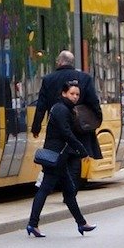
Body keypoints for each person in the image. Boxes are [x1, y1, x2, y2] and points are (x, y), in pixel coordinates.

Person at [25, 79, 96, 237]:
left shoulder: (64, 108)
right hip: (55, 156)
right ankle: (32, 224)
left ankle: (81, 223)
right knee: (46, 189)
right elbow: (66, 133)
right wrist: (81, 149)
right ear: (64, 93)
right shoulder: (61, 109)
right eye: (72, 94)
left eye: (77, 94)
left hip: (60, 156)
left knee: (69, 191)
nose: (75, 97)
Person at [31, 49, 103, 166]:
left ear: (59, 62)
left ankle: (61, 183)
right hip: (79, 129)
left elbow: (41, 106)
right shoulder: (85, 78)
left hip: (56, 130)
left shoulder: (48, 79)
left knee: (56, 163)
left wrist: (36, 127)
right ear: (72, 63)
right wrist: (98, 118)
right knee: (74, 162)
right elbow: (94, 102)